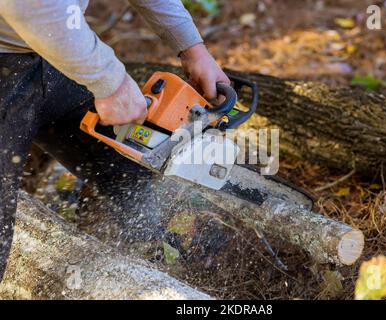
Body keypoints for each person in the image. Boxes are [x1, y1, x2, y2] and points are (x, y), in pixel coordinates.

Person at [0, 0, 230, 282]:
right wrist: (111, 82)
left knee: (131, 161)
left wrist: (192, 48)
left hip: (52, 53)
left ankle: (152, 256)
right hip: (17, 50)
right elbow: (28, 7)